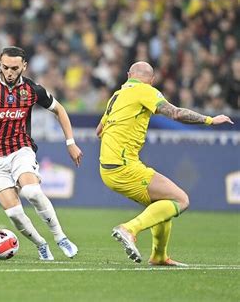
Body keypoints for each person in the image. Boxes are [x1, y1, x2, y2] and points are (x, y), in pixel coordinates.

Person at [96, 61, 234, 266]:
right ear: (152, 80)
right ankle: (129, 229)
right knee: (181, 200)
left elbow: (99, 131)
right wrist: (209, 120)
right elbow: (176, 113)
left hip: (107, 168)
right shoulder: (146, 91)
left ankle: (159, 256)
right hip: (124, 166)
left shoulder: (116, 97)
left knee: (161, 204)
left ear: (128, 75)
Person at [0, 46, 82, 260]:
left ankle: (61, 238)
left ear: (24, 66)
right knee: (14, 214)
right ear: (0, 64)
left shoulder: (31, 89)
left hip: (21, 149)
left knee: (31, 192)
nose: (9, 72)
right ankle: (41, 244)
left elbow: (60, 109)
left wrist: (70, 142)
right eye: (5, 67)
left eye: (14, 68)